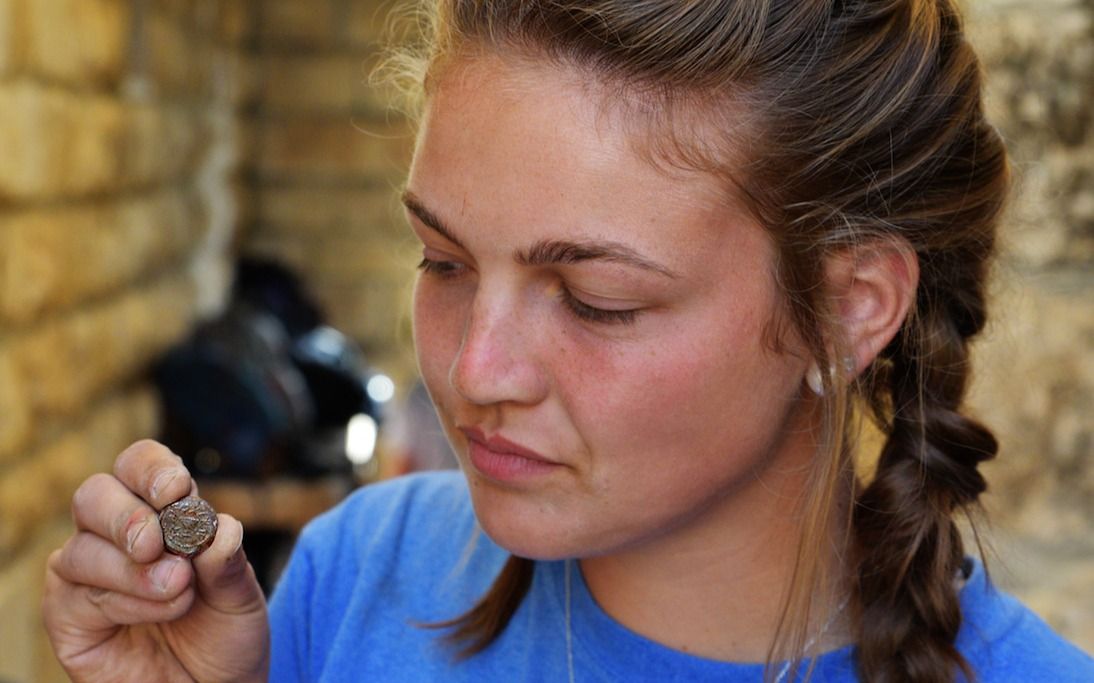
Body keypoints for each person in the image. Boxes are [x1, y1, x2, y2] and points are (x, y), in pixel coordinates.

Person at [42, 1, 1094, 681]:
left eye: (595, 299)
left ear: (849, 306)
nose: (471, 369)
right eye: (443, 261)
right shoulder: (355, 576)